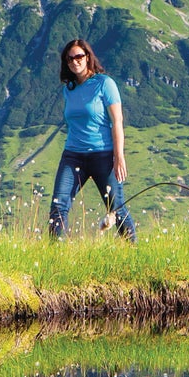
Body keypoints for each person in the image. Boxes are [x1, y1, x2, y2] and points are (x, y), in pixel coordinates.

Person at [49, 39, 136, 240]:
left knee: (116, 207)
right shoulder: (68, 89)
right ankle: (55, 253)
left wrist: (118, 156)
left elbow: (117, 121)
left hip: (103, 155)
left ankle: (133, 250)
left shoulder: (105, 84)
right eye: (70, 58)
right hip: (73, 155)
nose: (74, 61)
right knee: (58, 205)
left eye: (79, 56)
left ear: (88, 57)